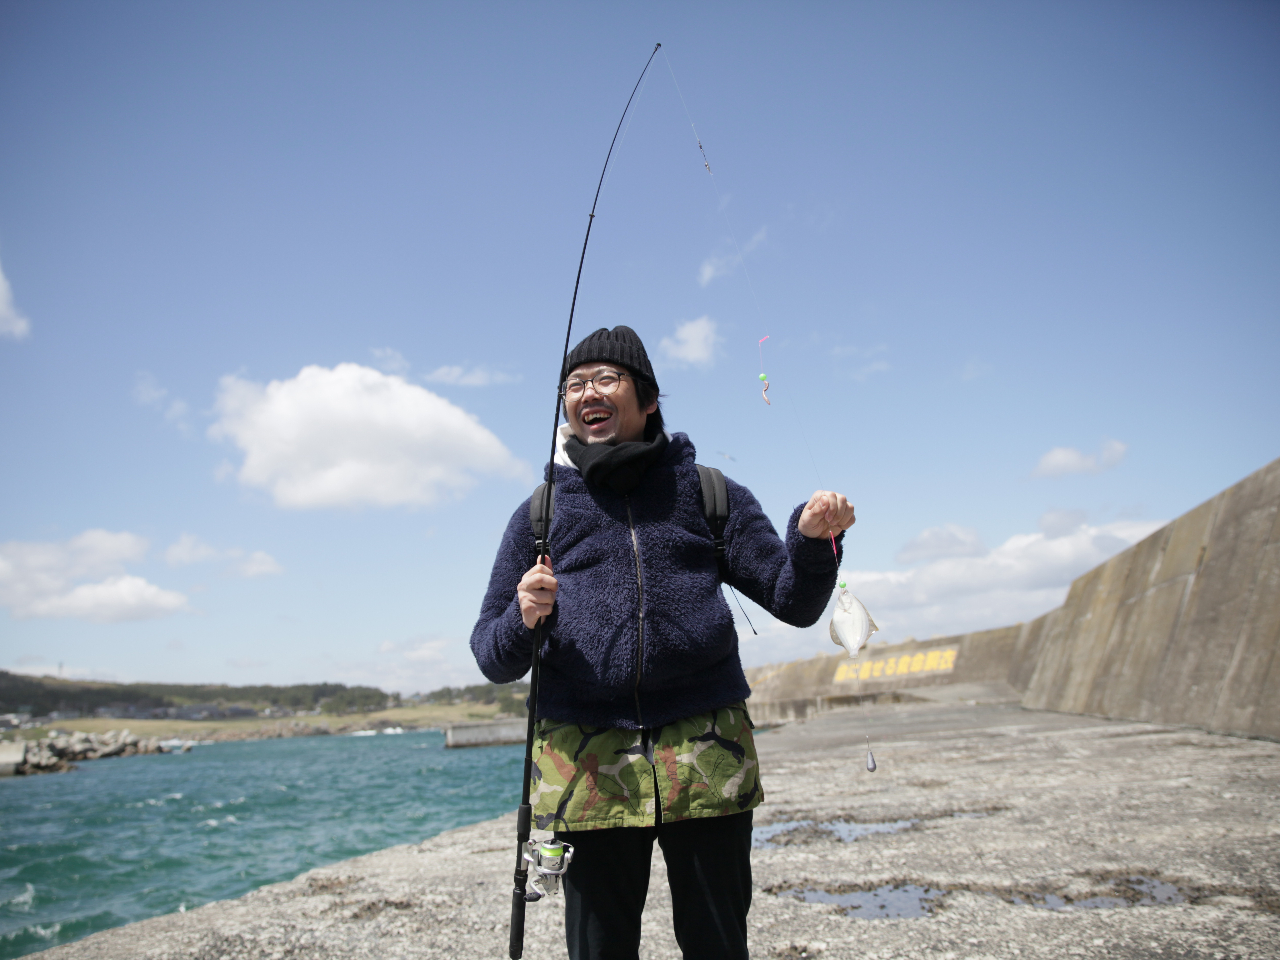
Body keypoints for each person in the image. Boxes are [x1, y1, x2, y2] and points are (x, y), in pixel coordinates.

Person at [470, 325, 855, 960]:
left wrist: (813, 544)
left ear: (648, 401)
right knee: (598, 949)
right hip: (585, 762)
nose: (586, 392)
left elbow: (795, 601)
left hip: (707, 747)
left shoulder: (708, 493)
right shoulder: (538, 513)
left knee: (718, 943)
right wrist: (523, 616)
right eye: (574, 384)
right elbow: (491, 654)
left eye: (605, 379)